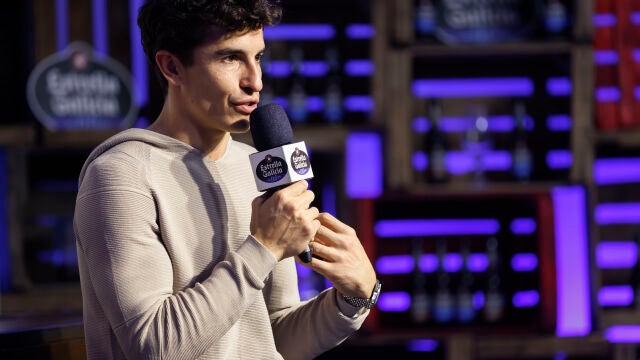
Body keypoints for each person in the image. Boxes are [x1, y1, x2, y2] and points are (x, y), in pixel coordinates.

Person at [73, 0, 380, 359]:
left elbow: (273, 337)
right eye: (230, 58)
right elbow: (153, 346)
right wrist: (264, 248)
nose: (255, 81)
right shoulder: (120, 175)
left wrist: (353, 297)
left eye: (259, 57)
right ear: (172, 66)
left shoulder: (256, 166)